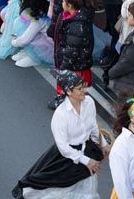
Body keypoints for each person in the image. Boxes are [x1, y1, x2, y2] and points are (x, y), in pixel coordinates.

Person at [13, 69, 106, 197]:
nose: (85, 90)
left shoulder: (89, 103)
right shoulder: (61, 115)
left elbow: (93, 125)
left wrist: (104, 144)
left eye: (84, 86)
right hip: (66, 158)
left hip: (86, 150)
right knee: (60, 192)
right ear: (68, 92)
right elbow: (63, 147)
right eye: (80, 89)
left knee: (87, 191)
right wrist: (86, 161)